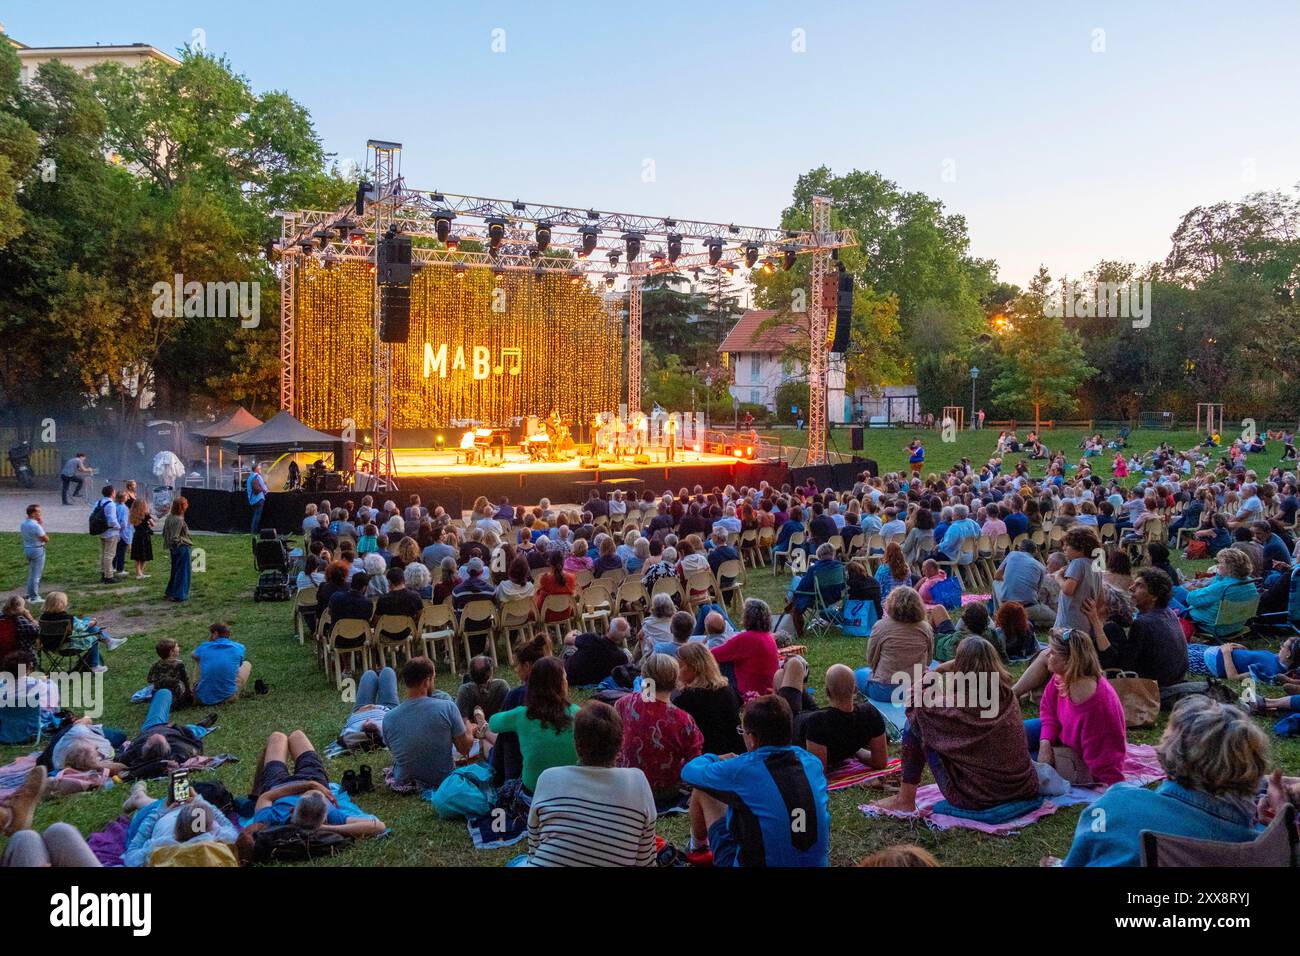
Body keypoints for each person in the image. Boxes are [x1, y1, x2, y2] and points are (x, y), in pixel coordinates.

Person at [1064, 697, 1271, 866]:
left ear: (1172, 750)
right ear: (1252, 767)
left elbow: (1077, 859)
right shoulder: (1256, 847)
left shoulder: (1115, 805)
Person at [874, 636, 1039, 814]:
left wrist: (934, 673)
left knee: (914, 724)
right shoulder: (1008, 696)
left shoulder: (952, 709)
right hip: (1022, 787)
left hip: (978, 797)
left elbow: (914, 703)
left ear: (960, 668)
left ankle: (905, 800)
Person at [681, 694, 830, 867]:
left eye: (742, 731)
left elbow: (689, 772)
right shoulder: (812, 763)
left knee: (703, 790)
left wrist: (715, 759)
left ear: (751, 739)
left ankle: (697, 849)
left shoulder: (742, 770)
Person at [523, 700, 658, 867]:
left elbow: (534, 846)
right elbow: (646, 862)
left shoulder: (548, 778)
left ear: (577, 745)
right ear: (620, 744)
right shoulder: (638, 783)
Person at [1023, 628, 1127, 786]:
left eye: (1053, 652)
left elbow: (1107, 761)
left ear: (1069, 661)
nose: (1047, 654)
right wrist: (1045, 742)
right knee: (1009, 736)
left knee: (1017, 763)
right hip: (1057, 736)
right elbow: (1049, 712)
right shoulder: (1062, 678)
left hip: (1078, 758)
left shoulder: (1098, 705)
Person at [245, 730, 386, 837]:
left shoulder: (270, 820)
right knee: (297, 735)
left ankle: (254, 793)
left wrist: (310, 786)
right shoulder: (333, 817)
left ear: (292, 810)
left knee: (278, 737)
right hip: (313, 778)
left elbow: (265, 797)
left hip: (279, 786)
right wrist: (325, 827)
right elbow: (379, 826)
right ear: (325, 817)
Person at [615, 654, 704, 805]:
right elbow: (695, 762)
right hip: (663, 791)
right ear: (676, 679)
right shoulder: (683, 720)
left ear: (644, 677)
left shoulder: (624, 703)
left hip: (627, 784)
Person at [485, 657, 579, 793]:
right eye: (565, 678)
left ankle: (500, 775)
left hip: (534, 793)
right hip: (571, 789)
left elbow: (493, 723)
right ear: (561, 684)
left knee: (506, 734)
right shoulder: (577, 713)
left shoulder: (521, 715)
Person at [382, 656, 475, 792]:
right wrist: (469, 728)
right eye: (433, 679)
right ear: (426, 682)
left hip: (404, 778)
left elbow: (395, 750)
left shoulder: (388, 718)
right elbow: (464, 749)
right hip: (442, 778)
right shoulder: (447, 707)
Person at [1088, 568, 1188, 686]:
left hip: (1156, 690)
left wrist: (1096, 623)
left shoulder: (1143, 624)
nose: (1131, 588)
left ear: (1154, 596)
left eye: (1140, 586)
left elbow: (1123, 666)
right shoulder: (1168, 612)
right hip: (1176, 680)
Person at [792, 662, 888, 770]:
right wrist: (854, 749)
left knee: (787, 671)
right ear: (855, 689)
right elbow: (880, 762)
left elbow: (818, 773)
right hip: (812, 715)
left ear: (827, 692)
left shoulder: (818, 723)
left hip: (791, 718)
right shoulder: (870, 714)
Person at [861, 586, 935, 703]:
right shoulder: (925, 628)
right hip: (916, 690)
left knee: (858, 674)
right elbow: (929, 661)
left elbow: (871, 659)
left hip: (884, 690)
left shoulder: (880, 626)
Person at [673, 641, 744, 757]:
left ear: (694, 668)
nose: (677, 670)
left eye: (680, 665)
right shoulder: (729, 691)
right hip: (735, 755)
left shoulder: (686, 700)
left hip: (706, 760)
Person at [710, 599, 780, 698]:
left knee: (722, 662)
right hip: (768, 689)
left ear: (747, 618)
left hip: (751, 692)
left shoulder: (746, 638)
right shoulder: (769, 637)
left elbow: (713, 654)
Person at [994, 539, 1054, 627]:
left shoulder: (1012, 554)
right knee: (1055, 619)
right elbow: (1037, 591)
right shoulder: (1041, 567)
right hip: (1027, 608)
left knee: (995, 582)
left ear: (1019, 548)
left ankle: (999, 614)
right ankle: (1027, 621)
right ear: (1035, 551)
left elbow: (997, 576)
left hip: (1006, 604)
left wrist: (1009, 579)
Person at [1054, 526, 1102, 632]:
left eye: (1067, 545)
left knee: (1062, 648)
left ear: (1081, 548)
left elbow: (1068, 590)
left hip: (1069, 624)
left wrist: (1058, 577)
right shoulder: (1096, 566)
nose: (1064, 548)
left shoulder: (1077, 563)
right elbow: (1101, 597)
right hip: (1085, 623)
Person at [192, 623, 251, 706]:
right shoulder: (239, 647)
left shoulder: (204, 647)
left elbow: (193, 655)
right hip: (228, 697)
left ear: (215, 634)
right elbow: (239, 665)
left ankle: (197, 686)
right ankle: (234, 690)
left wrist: (209, 643)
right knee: (247, 664)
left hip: (200, 699)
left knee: (198, 659)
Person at [564, 618, 632, 685]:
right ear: (624, 638)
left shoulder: (591, 638)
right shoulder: (621, 658)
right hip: (588, 680)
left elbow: (567, 640)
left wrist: (572, 632)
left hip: (569, 675)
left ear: (608, 628)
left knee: (577, 635)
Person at [455, 655, 511, 721]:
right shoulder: (501, 685)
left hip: (475, 728)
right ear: (490, 672)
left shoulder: (465, 690)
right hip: (497, 726)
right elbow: (508, 713)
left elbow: (463, 719)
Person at [162, 496, 193, 602]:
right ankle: (179, 595)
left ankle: (170, 592)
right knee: (183, 572)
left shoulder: (169, 517)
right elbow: (175, 537)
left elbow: (164, 533)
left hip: (173, 549)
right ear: (182, 506)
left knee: (175, 571)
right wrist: (184, 542)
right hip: (181, 548)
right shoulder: (179, 520)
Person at [148, 638, 193, 707]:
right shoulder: (179, 664)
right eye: (177, 646)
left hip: (158, 700)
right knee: (182, 686)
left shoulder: (156, 664)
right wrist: (189, 694)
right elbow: (186, 681)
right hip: (174, 702)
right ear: (171, 652)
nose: (179, 648)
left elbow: (149, 679)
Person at [93, 483, 121, 584]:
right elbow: (112, 519)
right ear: (112, 493)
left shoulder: (99, 502)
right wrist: (119, 527)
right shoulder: (111, 504)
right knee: (109, 555)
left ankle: (103, 573)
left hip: (102, 531)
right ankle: (109, 576)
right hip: (111, 532)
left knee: (104, 554)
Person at [19, 504, 47, 603]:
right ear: (33, 513)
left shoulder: (23, 523)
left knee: (32, 573)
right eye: (38, 512)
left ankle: (30, 593)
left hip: (27, 548)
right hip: (37, 549)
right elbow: (45, 538)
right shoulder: (35, 525)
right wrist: (40, 524)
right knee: (36, 575)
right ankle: (34, 597)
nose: (40, 514)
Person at [128, 497, 154, 579]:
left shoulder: (133, 514)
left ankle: (139, 573)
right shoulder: (146, 515)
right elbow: (153, 524)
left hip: (137, 536)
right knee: (144, 555)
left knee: (137, 556)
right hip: (145, 536)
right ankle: (140, 572)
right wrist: (149, 525)